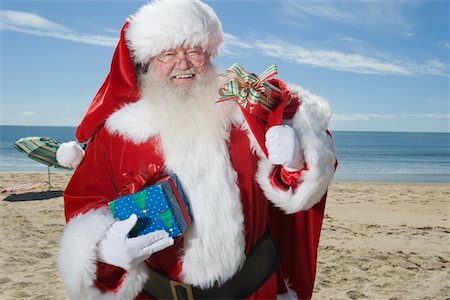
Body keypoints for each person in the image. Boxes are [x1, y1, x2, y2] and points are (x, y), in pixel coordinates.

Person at [57, 0, 337, 299]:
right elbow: (86, 198)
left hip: (254, 290)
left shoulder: (245, 112)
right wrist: (102, 246)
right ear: (148, 61)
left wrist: (296, 158)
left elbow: (307, 170)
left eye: (193, 51)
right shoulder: (117, 133)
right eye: (168, 53)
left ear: (209, 53)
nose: (183, 63)